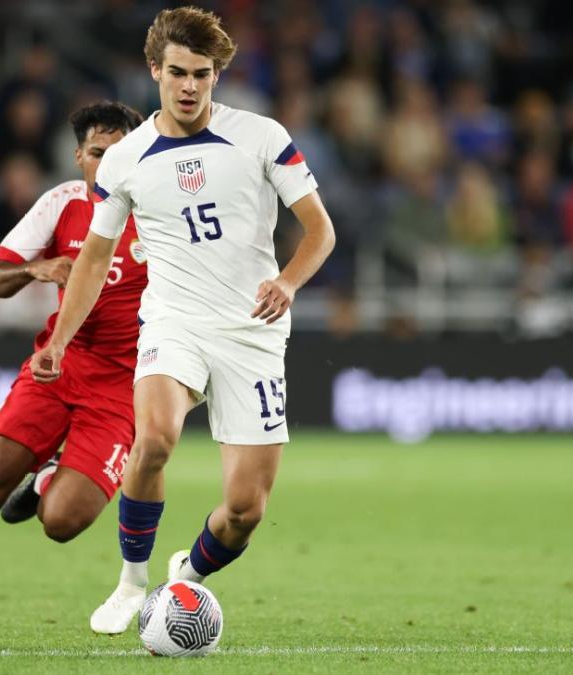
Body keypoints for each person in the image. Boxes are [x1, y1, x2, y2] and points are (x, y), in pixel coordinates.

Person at [28, 7, 335, 634]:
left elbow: (320, 231)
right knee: (154, 440)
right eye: (177, 73)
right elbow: (93, 259)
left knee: (245, 511)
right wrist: (59, 339)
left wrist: (286, 281)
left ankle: (185, 578)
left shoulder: (261, 136)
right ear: (154, 71)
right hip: (174, 323)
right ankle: (131, 582)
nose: (189, 86)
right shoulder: (125, 159)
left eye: (201, 74)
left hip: (252, 332)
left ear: (217, 74)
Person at [0, 101, 146, 636]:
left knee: (62, 523)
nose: (108, 163)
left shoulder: (164, 216)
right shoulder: (61, 203)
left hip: (122, 387)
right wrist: (37, 268)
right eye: (97, 152)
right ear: (79, 157)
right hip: (56, 366)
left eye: (119, 153)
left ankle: (46, 480)